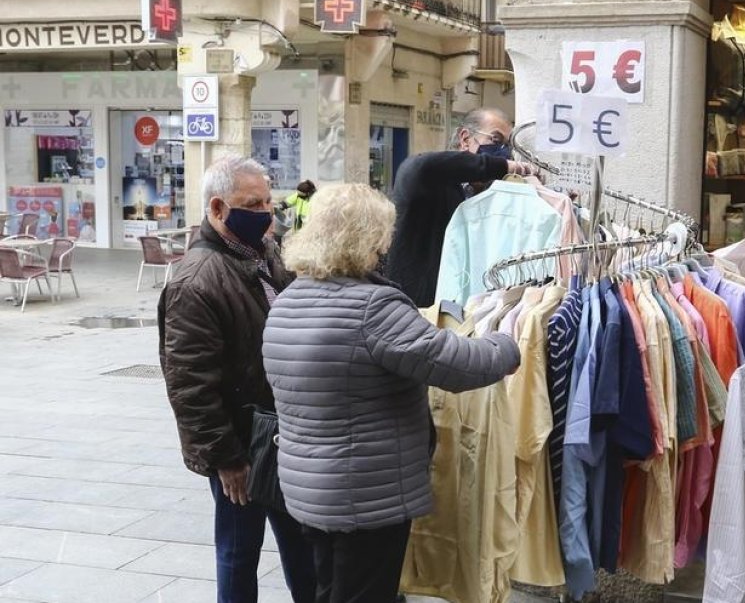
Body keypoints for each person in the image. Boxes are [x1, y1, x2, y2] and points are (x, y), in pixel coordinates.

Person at [263, 183, 522, 603]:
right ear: (371, 238)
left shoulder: (290, 298)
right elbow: (455, 363)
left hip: (307, 487)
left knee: (328, 589)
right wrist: (509, 343)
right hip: (364, 496)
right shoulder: (372, 308)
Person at [157, 156, 315, 603]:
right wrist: (226, 458)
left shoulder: (265, 254)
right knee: (239, 552)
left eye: (268, 200)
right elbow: (189, 385)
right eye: (252, 203)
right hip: (243, 444)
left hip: (282, 434)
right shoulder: (197, 280)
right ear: (218, 208)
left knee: (302, 548)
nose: (265, 211)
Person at [384, 107, 537, 307]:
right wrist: (505, 166)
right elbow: (419, 166)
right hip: (415, 308)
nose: (503, 153)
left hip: (467, 309)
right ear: (465, 139)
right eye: (496, 141)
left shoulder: (495, 194)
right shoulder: (427, 183)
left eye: (507, 146)